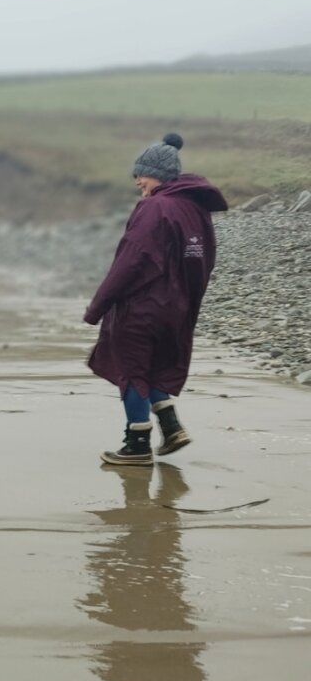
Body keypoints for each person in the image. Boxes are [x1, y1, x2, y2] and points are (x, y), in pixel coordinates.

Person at [84, 133, 228, 465]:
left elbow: (131, 260)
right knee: (151, 367)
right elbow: (202, 261)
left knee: (131, 370)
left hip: (142, 308)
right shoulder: (195, 209)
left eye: (142, 174)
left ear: (159, 174)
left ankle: (136, 445)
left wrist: (97, 307)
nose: (137, 181)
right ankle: (172, 427)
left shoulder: (154, 207)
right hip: (176, 309)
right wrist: (188, 305)